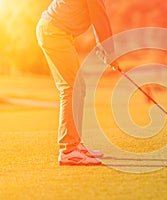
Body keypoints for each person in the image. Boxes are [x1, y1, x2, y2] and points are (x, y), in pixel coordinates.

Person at [36, 0, 116, 166]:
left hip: (55, 32)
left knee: (78, 86)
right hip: (54, 33)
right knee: (71, 87)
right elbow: (100, 16)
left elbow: (96, 16)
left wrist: (104, 47)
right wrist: (110, 51)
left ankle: (75, 144)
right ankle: (69, 150)